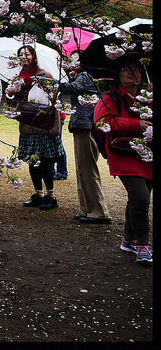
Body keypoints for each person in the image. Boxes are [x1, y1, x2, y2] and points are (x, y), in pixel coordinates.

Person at [94, 61, 152, 264]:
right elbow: (102, 123)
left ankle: (129, 239)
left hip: (147, 154)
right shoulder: (111, 98)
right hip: (124, 153)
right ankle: (143, 244)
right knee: (141, 197)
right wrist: (137, 124)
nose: (131, 73)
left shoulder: (147, 98)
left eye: (135, 69)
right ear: (117, 74)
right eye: (126, 70)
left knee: (139, 198)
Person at [9, 44, 63, 212]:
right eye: (21, 55)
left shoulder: (44, 75)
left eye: (27, 54)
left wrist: (40, 84)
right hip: (27, 123)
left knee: (45, 161)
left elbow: (53, 99)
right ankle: (38, 193)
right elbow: (14, 101)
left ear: (34, 56)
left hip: (43, 124)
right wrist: (13, 91)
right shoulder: (18, 78)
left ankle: (51, 195)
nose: (24, 57)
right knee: (32, 162)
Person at [59, 53, 109, 224]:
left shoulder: (85, 75)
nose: (71, 62)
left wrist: (53, 84)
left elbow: (72, 88)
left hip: (85, 126)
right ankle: (87, 209)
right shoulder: (84, 76)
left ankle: (98, 212)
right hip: (83, 125)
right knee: (83, 168)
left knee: (87, 168)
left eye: (74, 59)